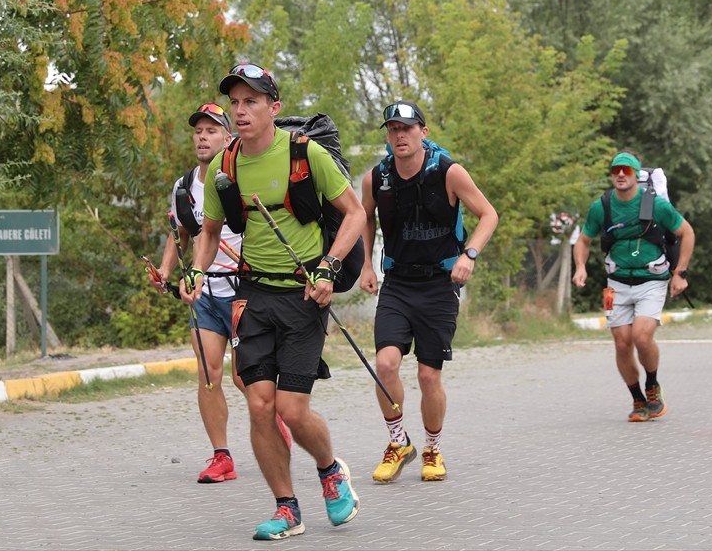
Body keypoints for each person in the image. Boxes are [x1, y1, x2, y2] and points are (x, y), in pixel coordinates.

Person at [189, 62, 367, 540]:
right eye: (235, 102)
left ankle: (330, 471)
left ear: (274, 107)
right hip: (253, 294)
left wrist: (329, 266)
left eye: (251, 101)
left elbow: (354, 213)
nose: (241, 111)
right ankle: (286, 508)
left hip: (304, 293)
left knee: (291, 409)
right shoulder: (225, 164)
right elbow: (207, 233)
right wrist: (196, 271)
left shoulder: (304, 155)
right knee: (260, 405)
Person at [359, 101, 498, 483]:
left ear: (422, 130)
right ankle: (398, 441)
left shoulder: (448, 172)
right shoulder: (377, 178)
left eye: (407, 128)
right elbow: (363, 217)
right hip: (397, 284)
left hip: (440, 284)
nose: (400, 135)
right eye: (393, 129)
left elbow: (489, 214)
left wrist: (469, 254)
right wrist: (367, 265)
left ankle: (433, 449)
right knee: (385, 365)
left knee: (427, 376)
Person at [155, 103, 292, 484]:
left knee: (241, 375)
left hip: (242, 289)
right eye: (198, 130)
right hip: (205, 291)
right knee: (208, 372)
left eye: (212, 130)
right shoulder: (184, 187)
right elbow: (182, 231)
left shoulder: (237, 177)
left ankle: (274, 423)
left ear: (228, 137)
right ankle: (222, 456)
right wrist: (167, 269)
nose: (202, 136)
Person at [573, 151, 695, 420]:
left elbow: (686, 233)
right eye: (616, 170)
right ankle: (638, 400)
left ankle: (652, 386)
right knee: (621, 343)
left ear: (636, 175)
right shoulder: (601, 207)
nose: (620, 174)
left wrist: (681, 272)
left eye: (626, 171)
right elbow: (583, 241)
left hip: (651, 280)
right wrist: (580, 267)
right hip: (615, 283)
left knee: (641, 336)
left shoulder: (655, 205)